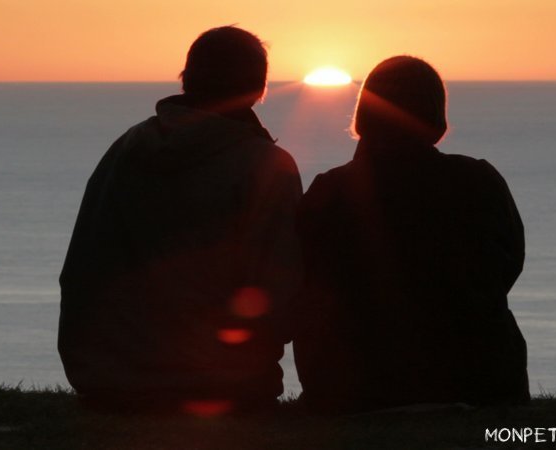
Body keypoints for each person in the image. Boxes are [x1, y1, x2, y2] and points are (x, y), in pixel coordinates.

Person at [58, 26, 302, 413]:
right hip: (223, 384)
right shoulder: (266, 166)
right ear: (259, 89)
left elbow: (81, 267)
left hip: (107, 381)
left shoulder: (125, 149)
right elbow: (280, 294)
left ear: (186, 78)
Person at [293, 56, 529, 413]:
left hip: (355, 385)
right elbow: (508, 264)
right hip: (477, 378)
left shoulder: (330, 190)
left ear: (364, 116)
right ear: (435, 118)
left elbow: (303, 280)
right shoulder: (479, 181)